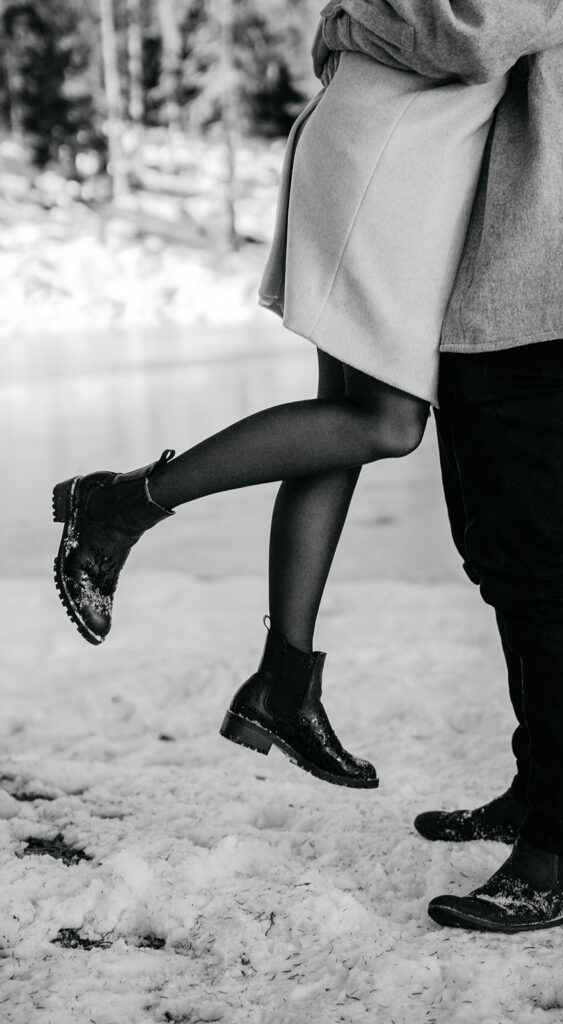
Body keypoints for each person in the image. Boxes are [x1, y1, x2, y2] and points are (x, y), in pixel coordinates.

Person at [51, 23, 509, 791]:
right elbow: (482, 32)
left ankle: (283, 684)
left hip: (400, 150)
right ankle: (119, 506)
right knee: (387, 423)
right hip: (394, 158)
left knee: (343, 428)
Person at [317, 0, 563, 933]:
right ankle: (538, 790)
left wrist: (350, 18)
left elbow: (470, 31)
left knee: (534, 572)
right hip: (507, 260)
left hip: (538, 258)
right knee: (498, 556)